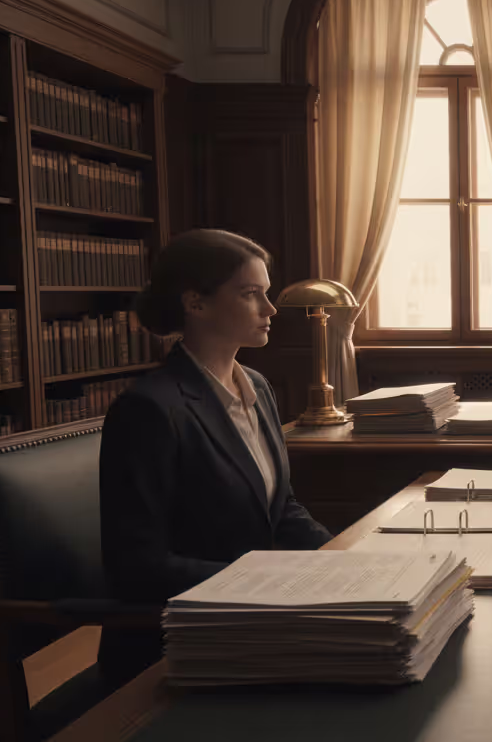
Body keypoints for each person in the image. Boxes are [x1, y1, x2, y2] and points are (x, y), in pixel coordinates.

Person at [98, 229, 333, 684]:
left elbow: (280, 508)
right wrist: (268, 581)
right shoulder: (147, 410)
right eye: (251, 295)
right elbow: (137, 567)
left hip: (254, 619)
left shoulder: (258, 388)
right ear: (195, 303)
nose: (270, 309)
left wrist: (343, 560)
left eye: (266, 294)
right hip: (181, 643)